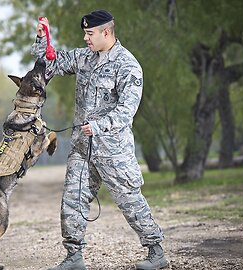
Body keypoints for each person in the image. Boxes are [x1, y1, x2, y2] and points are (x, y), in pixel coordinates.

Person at [31, 10, 169, 270]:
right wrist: (43, 40)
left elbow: (127, 110)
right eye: (85, 33)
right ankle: (74, 257)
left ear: (106, 32)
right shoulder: (84, 58)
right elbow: (52, 63)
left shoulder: (128, 65)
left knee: (130, 201)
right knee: (73, 199)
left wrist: (99, 126)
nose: (85, 38)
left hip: (113, 151)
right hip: (83, 149)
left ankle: (156, 251)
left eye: (89, 33)